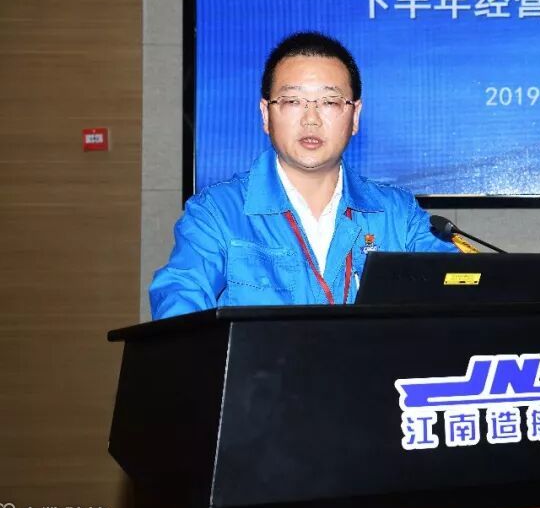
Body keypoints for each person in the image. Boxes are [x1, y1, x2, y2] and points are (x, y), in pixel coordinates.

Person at [149, 32, 458, 319]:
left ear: (355, 116)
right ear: (266, 115)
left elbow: (457, 288)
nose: (311, 119)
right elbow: (180, 297)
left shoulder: (397, 215)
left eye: (330, 102)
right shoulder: (217, 213)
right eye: (293, 101)